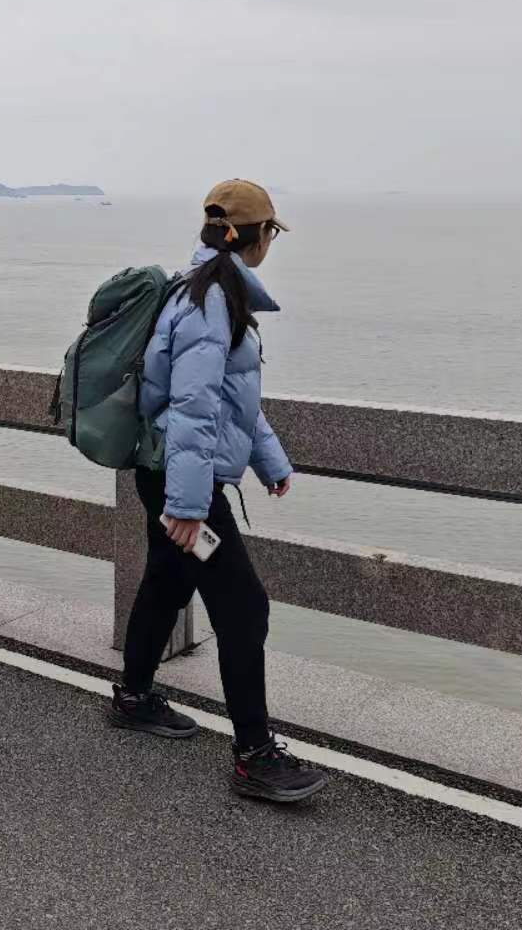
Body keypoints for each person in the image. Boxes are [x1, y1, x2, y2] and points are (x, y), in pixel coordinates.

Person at [110, 180, 328, 803]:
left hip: (168, 473)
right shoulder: (211, 301)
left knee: (168, 580)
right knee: (244, 606)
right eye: (270, 232)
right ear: (252, 236)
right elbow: (194, 405)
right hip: (186, 485)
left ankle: (133, 696)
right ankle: (254, 756)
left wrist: (269, 460)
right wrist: (186, 507)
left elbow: (232, 399)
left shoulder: (205, 287)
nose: (271, 243)